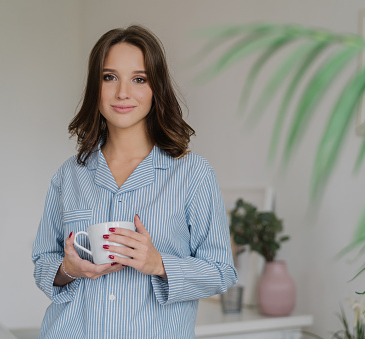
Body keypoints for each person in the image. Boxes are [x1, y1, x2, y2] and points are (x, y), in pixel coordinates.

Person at [32, 25, 237, 339]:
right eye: (109, 77)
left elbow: (221, 271)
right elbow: (43, 260)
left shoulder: (192, 174)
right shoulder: (69, 175)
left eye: (139, 79)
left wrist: (158, 264)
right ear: (94, 86)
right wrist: (69, 270)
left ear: (156, 88)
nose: (122, 93)